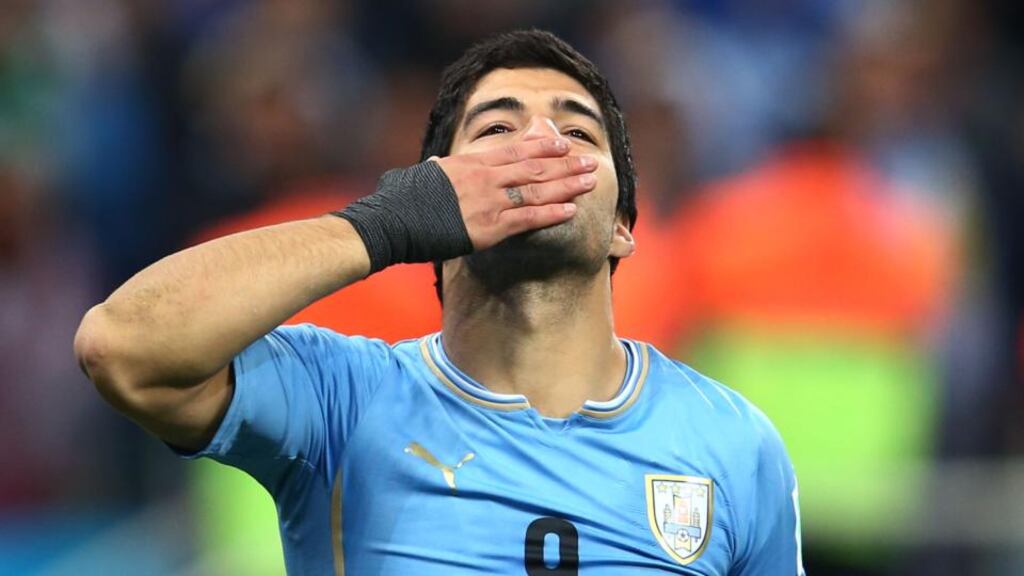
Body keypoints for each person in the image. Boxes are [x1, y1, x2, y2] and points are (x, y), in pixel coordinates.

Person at [74, 30, 803, 575]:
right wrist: (385, 224)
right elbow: (124, 347)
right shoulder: (342, 400)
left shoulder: (733, 444)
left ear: (621, 227)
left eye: (577, 134)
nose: (540, 147)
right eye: (496, 131)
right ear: (440, 199)